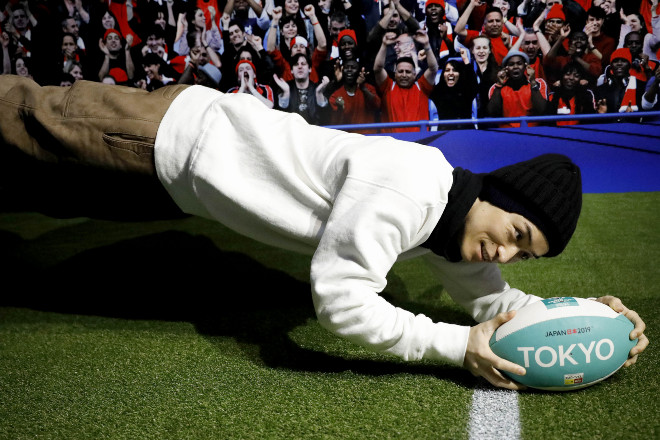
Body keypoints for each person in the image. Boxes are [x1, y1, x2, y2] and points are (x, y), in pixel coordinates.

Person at [0, 74, 647, 391]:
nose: (503, 253)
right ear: (494, 196)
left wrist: (596, 321)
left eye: (522, 255)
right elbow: (341, 301)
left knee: (28, 187)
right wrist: (455, 347)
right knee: (14, 118)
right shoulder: (413, 189)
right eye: (514, 233)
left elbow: (492, 300)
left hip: (178, 187)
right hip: (165, 137)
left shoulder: (455, 223)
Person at [373, 29, 438, 133]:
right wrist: (384, 45)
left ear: (414, 74)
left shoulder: (422, 87)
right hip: (392, 141)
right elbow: (378, 69)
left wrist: (426, 45)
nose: (404, 75)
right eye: (400, 71)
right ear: (395, 74)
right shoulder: (388, 87)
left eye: (408, 72)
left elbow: (433, 69)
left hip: (419, 139)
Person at [487, 50, 549, 127]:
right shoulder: (496, 87)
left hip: (532, 130)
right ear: (506, 69)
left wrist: (532, 82)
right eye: (511, 64)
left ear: (526, 67)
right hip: (507, 131)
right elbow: (492, 113)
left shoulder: (539, 83)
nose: (515, 67)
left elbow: (542, 111)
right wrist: (499, 84)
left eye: (519, 63)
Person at [326, 58, 381, 134]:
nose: (349, 70)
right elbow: (334, 126)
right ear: (342, 71)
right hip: (348, 138)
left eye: (353, 68)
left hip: (368, 137)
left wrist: (363, 88)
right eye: (346, 67)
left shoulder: (368, 88)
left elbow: (377, 106)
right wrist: (340, 109)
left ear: (359, 72)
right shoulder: (336, 96)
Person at [429, 48, 478, 128]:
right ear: (443, 74)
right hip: (445, 133)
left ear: (460, 74)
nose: (451, 73)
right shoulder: (438, 91)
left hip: (466, 132)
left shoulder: (467, 91)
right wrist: (424, 62)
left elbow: (473, 83)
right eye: (447, 70)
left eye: (454, 70)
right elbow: (428, 80)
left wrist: (465, 59)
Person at [596, 47, 648, 113]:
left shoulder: (640, 86)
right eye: (615, 61)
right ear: (611, 66)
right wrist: (602, 113)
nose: (619, 63)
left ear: (629, 65)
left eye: (623, 61)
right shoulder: (602, 89)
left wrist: (633, 115)